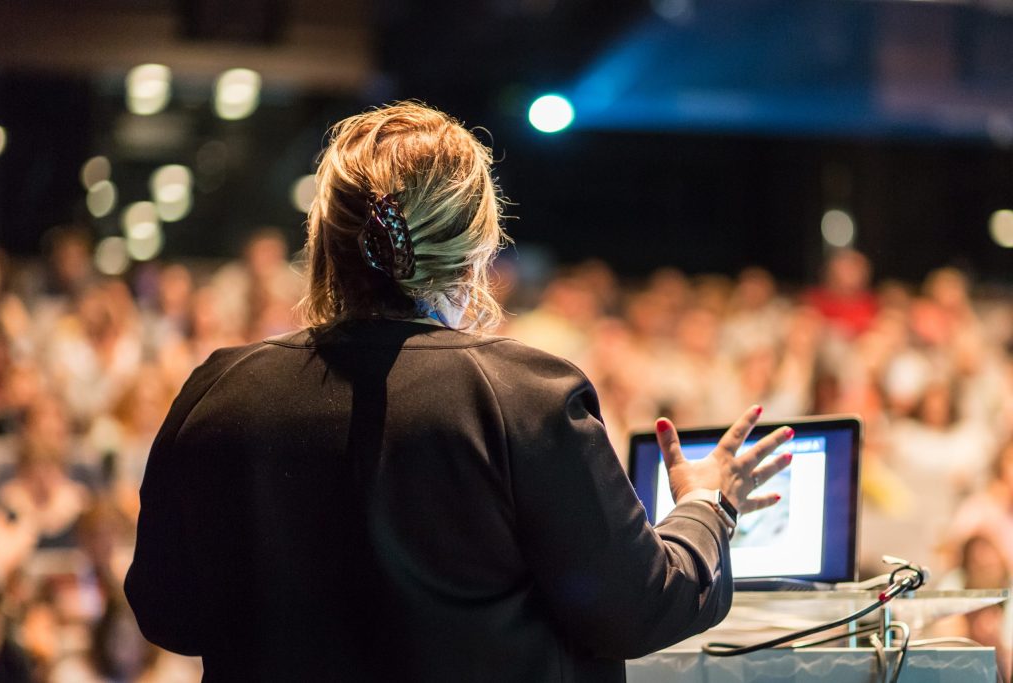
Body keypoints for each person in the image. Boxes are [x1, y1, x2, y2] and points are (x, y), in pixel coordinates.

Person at [125, 102, 792, 682]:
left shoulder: (217, 391)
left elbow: (166, 611)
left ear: (324, 240)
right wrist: (708, 505)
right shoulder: (526, 396)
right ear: (478, 247)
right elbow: (636, 607)